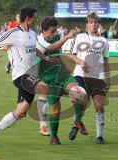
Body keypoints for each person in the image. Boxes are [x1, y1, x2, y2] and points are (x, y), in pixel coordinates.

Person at [0, 7, 54, 147]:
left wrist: (45, 58)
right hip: (21, 76)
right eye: (34, 17)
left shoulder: (32, 34)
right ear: (28, 18)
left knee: (21, 112)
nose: (36, 20)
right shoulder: (13, 33)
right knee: (44, 88)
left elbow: (33, 49)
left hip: (31, 76)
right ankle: (43, 126)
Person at [36, 16, 88, 145]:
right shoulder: (38, 41)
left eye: (55, 31)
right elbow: (51, 48)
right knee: (55, 110)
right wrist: (68, 36)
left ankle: (77, 121)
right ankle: (54, 137)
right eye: (52, 31)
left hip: (63, 75)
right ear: (44, 30)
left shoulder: (58, 37)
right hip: (49, 80)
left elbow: (64, 52)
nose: (55, 33)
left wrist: (78, 61)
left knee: (80, 94)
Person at [68, 12, 110, 144]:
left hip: (97, 78)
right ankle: (77, 123)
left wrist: (108, 78)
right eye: (91, 22)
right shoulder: (79, 37)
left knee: (99, 106)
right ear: (87, 24)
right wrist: (80, 61)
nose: (94, 25)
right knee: (81, 99)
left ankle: (99, 136)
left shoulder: (103, 41)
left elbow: (106, 60)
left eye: (96, 22)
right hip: (80, 75)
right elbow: (70, 54)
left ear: (99, 25)